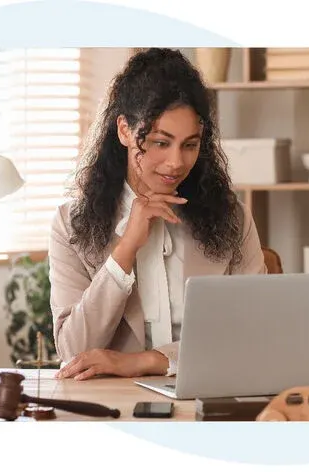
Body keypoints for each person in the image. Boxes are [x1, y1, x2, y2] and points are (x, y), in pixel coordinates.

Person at [48, 48, 266, 381]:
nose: (176, 162)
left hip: (211, 394)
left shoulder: (231, 218)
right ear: (124, 130)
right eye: (160, 143)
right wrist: (125, 251)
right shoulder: (71, 224)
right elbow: (74, 351)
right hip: (114, 408)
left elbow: (254, 333)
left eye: (190, 144)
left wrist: (147, 361)